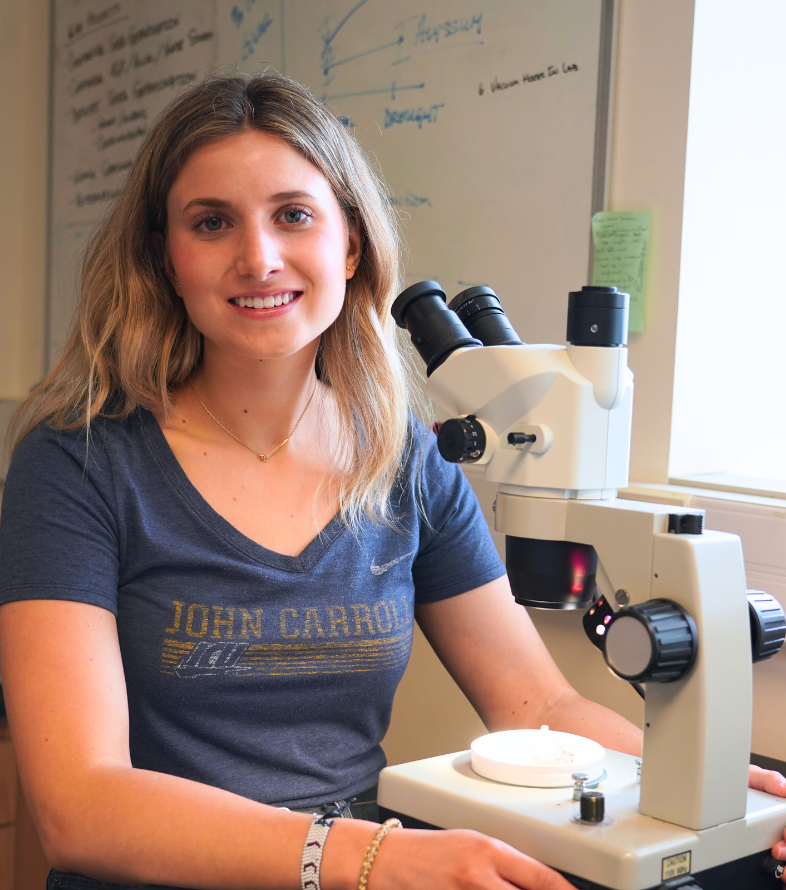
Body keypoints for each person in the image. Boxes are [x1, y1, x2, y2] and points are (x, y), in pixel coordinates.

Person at [0, 71, 783, 890]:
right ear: (167, 257)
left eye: (293, 215)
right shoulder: (80, 466)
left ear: (349, 243)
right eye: (211, 222)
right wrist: (368, 856)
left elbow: (539, 709)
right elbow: (80, 805)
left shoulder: (401, 457)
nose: (258, 257)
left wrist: (714, 789)